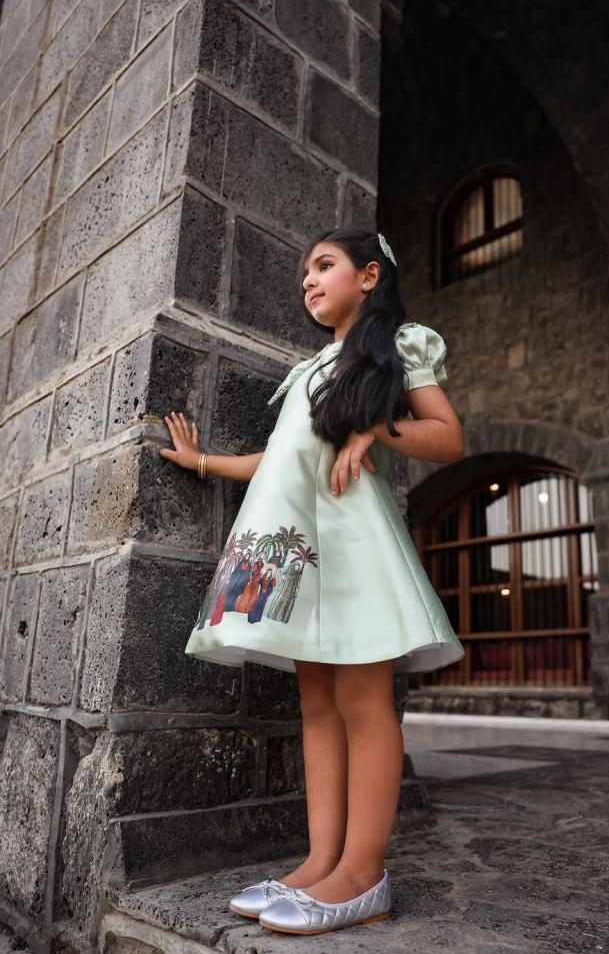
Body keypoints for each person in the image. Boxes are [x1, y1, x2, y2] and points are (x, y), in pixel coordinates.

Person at [159, 228, 465, 936]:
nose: (308, 280)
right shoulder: (309, 369)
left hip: (351, 542)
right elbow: (279, 458)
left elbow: (447, 436)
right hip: (300, 547)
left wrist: (376, 429)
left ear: (369, 276)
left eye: (324, 266)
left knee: (363, 701)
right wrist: (204, 462)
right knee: (318, 705)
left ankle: (364, 873)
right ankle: (322, 860)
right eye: (304, 272)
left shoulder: (398, 346)